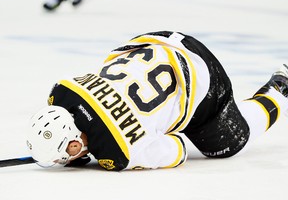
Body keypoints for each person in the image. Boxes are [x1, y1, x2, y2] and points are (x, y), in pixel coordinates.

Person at [26, 31, 288, 171]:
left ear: (73, 143)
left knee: (227, 143)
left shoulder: (121, 154)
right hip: (154, 41)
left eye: (67, 155)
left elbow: (179, 149)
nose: (68, 161)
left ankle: (281, 89)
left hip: (200, 74)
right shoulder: (62, 89)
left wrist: (112, 144)